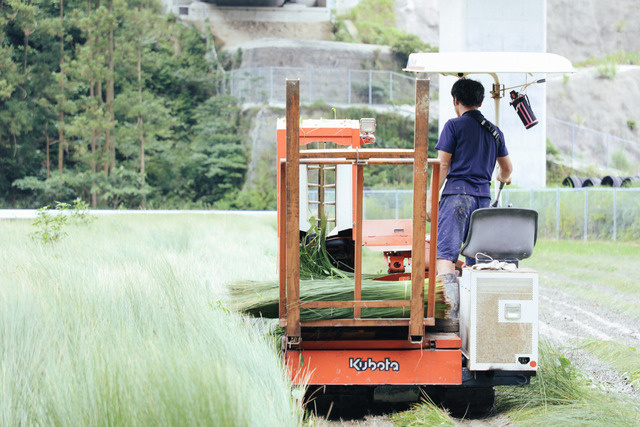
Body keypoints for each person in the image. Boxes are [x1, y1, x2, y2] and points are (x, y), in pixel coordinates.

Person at [426, 78, 513, 321]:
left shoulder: (453, 126)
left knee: (446, 256)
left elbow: (443, 164)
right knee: (477, 261)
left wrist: (430, 200)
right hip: (483, 202)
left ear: (456, 100)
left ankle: (449, 317)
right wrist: (501, 177)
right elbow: (507, 169)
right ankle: (475, 319)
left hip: (456, 197)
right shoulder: (494, 131)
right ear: (482, 101)